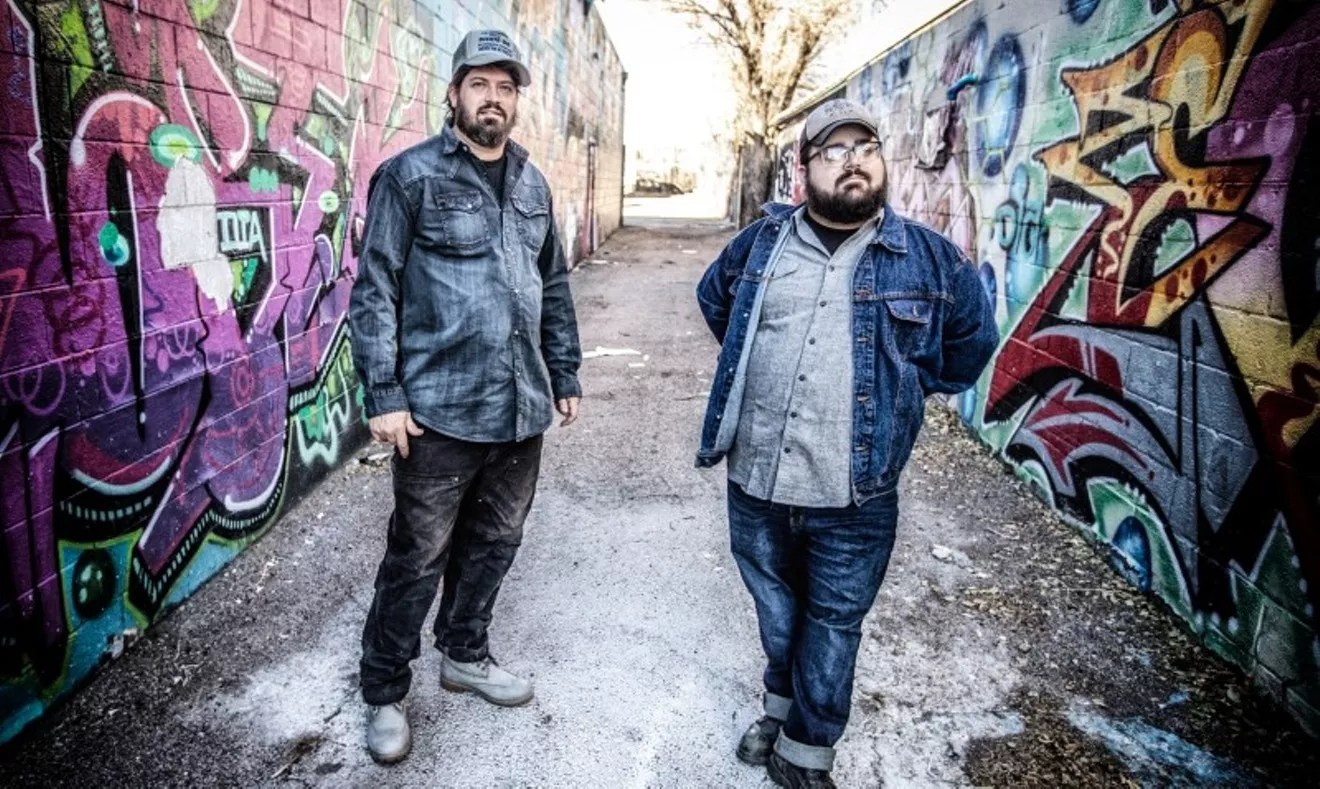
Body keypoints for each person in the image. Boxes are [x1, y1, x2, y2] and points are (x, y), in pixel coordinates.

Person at [694, 98, 998, 788]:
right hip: (759, 478)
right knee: (778, 611)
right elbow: (717, 301)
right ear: (802, 170)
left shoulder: (930, 259)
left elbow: (970, 343)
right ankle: (778, 707)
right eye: (833, 150)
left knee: (833, 621)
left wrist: (903, 392)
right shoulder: (761, 245)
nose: (853, 160)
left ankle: (805, 751)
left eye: (866, 147)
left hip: (857, 490)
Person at [348, 28, 582, 765]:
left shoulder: (533, 184)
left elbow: (552, 283)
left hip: (520, 408)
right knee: (418, 555)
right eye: (479, 84)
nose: (493, 98)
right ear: (453, 93)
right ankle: (385, 689)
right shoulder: (409, 176)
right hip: (438, 410)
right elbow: (375, 289)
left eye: (505, 87)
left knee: (496, 542)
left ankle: (464, 653)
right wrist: (384, 393)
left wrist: (564, 370)